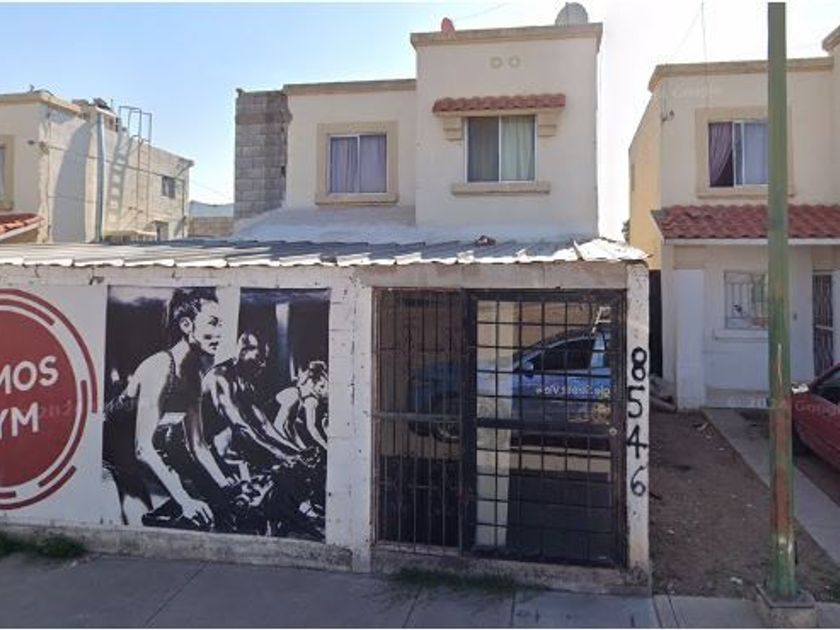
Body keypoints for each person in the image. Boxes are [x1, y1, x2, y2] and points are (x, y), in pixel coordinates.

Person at [104, 287, 222, 528]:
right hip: (105, 455)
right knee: (135, 524)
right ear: (186, 325)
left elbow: (198, 445)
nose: (219, 332)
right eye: (212, 323)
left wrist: (227, 486)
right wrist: (184, 501)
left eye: (221, 324)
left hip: (134, 457)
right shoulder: (160, 367)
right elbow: (143, 448)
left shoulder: (194, 375)